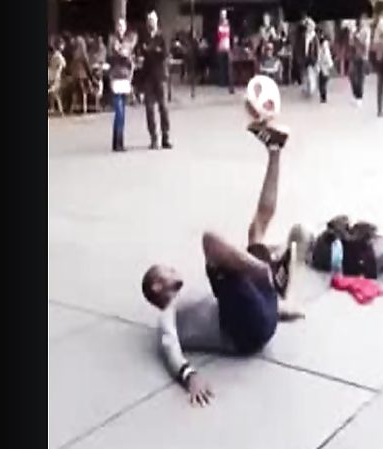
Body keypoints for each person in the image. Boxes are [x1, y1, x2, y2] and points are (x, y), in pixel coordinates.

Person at [141, 122, 307, 406]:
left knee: (256, 230)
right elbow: (169, 345)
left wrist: (279, 312)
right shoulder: (168, 313)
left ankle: (275, 150)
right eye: (166, 270)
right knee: (210, 241)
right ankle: (268, 271)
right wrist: (189, 376)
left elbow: (235, 299)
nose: (173, 268)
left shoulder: (192, 297)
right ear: (158, 285)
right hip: (244, 333)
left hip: (259, 317)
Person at [139, 11, 172, 149]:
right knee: (149, 109)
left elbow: (165, 53)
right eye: (149, 20)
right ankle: (153, 138)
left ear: (157, 21)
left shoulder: (162, 36)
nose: (151, 22)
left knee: (163, 107)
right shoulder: (144, 37)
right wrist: (152, 51)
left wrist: (151, 51)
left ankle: (165, 137)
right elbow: (142, 54)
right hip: (148, 77)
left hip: (160, 76)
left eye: (153, 20)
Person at [108, 18, 137, 152]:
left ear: (125, 28)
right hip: (115, 77)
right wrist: (120, 53)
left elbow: (130, 58)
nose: (120, 28)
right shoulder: (112, 40)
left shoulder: (127, 41)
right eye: (118, 25)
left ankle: (119, 142)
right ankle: (117, 141)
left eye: (122, 26)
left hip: (125, 78)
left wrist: (127, 56)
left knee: (123, 112)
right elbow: (111, 56)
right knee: (119, 111)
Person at [349, 16, 371, 107]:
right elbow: (350, 43)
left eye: (362, 20)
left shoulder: (366, 31)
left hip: (363, 56)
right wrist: (352, 35)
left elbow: (366, 44)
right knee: (351, 75)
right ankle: (355, 93)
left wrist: (358, 37)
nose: (360, 22)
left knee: (360, 77)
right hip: (354, 56)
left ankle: (359, 97)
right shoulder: (354, 30)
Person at [69, 36, 94, 114]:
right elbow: (87, 66)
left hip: (75, 75)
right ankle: (84, 108)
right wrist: (91, 76)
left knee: (75, 91)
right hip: (83, 75)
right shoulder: (83, 54)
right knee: (84, 92)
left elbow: (71, 65)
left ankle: (73, 108)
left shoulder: (74, 54)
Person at [48, 38, 66, 115]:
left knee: (55, 93)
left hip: (53, 75)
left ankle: (57, 109)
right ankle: (58, 109)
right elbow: (62, 65)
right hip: (55, 75)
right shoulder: (57, 55)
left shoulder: (56, 55)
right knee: (55, 93)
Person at [302, 18, 319, 98]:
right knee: (305, 74)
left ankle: (311, 89)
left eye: (309, 26)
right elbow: (302, 46)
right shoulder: (304, 35)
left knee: (310, 74)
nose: (308, 27)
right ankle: (306, 88)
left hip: (311, 58)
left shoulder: (314, 37)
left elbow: (317, 49)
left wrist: (316, 59)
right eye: (307, 26)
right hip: (304, 57)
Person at [216, 9, 232, 88]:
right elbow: (219, 35)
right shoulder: (219, 23)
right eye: (222, 14)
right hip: (221, 46)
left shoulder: (227, 23)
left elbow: (228, 34)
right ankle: (221, 82)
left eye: (225, 14)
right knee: (221, 65)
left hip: (227, 45)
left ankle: (227, 81)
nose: (224, 15)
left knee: (227, 65)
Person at [317, 32, 333, 103]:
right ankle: (323, 97)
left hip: (324, 67)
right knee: (323, 82)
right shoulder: (324, 46)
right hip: (324, 66)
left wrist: (328, 65)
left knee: (322, 83)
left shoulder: (324, 46)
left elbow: (326, 56)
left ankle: (323, 97)